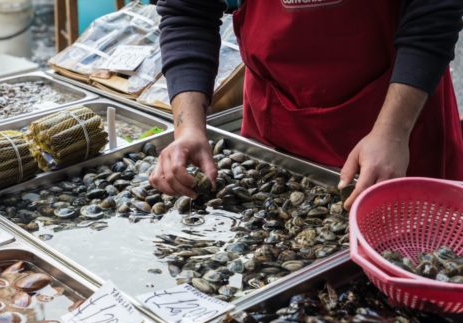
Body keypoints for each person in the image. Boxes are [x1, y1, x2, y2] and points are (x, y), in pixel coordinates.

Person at [149, 0, 463, 209]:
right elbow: (187, 10)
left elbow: (433, 13)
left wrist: (393, 131)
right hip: (277, 128)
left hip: (397, 121)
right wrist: (188, 128)